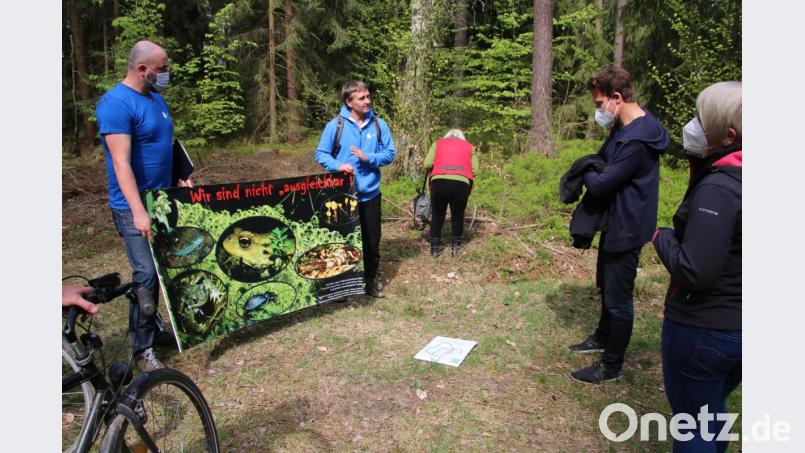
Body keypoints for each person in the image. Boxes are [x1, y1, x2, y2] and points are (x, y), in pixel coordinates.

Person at [653, 81, 742, 452]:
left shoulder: (720, 188)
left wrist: (662, 238)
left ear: (728, 135)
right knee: (712, 415)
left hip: (706, 327)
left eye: (701, 120)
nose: (691, 126)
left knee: (693, 427)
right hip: (738, 326)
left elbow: (695, 270)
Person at [567, 67, 669, 383]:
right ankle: (601, 336)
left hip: (628, 226)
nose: (598, 111)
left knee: (619, 298)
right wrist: (593, 168)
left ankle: (612, 365)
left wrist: (584, 172)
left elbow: (601, 182)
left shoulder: (638, 139)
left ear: (616, 98)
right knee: (606, 284)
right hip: (615, 220)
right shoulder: (623, 128)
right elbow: (602, 161)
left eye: (599, 104)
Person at [96, 40, 192, 372]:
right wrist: (138, 210)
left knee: (163, 268)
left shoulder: (156, 98)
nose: (166, 74)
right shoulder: (115, 104)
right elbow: (121, 163)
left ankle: (155, 327)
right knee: (145, 274)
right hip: (131, 204)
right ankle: (142, 349)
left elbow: (165, 144)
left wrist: (181, 176)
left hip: (162, 199)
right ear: (142, 69)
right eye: (162, 68)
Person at [315, 81, 395, 298]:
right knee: (341, 241)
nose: (368, 101)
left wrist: (367, 157)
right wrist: (338, 166)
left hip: (370, 194)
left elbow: (390, 153)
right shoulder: (336, 126)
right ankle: (340, 287)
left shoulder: (379, 124)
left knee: (371, 241)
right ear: (349, 102)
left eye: (368, 96)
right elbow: (321, 154)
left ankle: (370, 281)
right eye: (362, 98)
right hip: (341, 195)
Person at [423, 129, 478, 257]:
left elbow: (427, 163)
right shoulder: (470, 147)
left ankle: (435, 250)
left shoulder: (437, 143)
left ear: (446, 136)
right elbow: (475, 170)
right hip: (461, 184)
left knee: (437, 215)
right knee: (458, 217)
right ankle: (455, 250)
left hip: (439, 182)